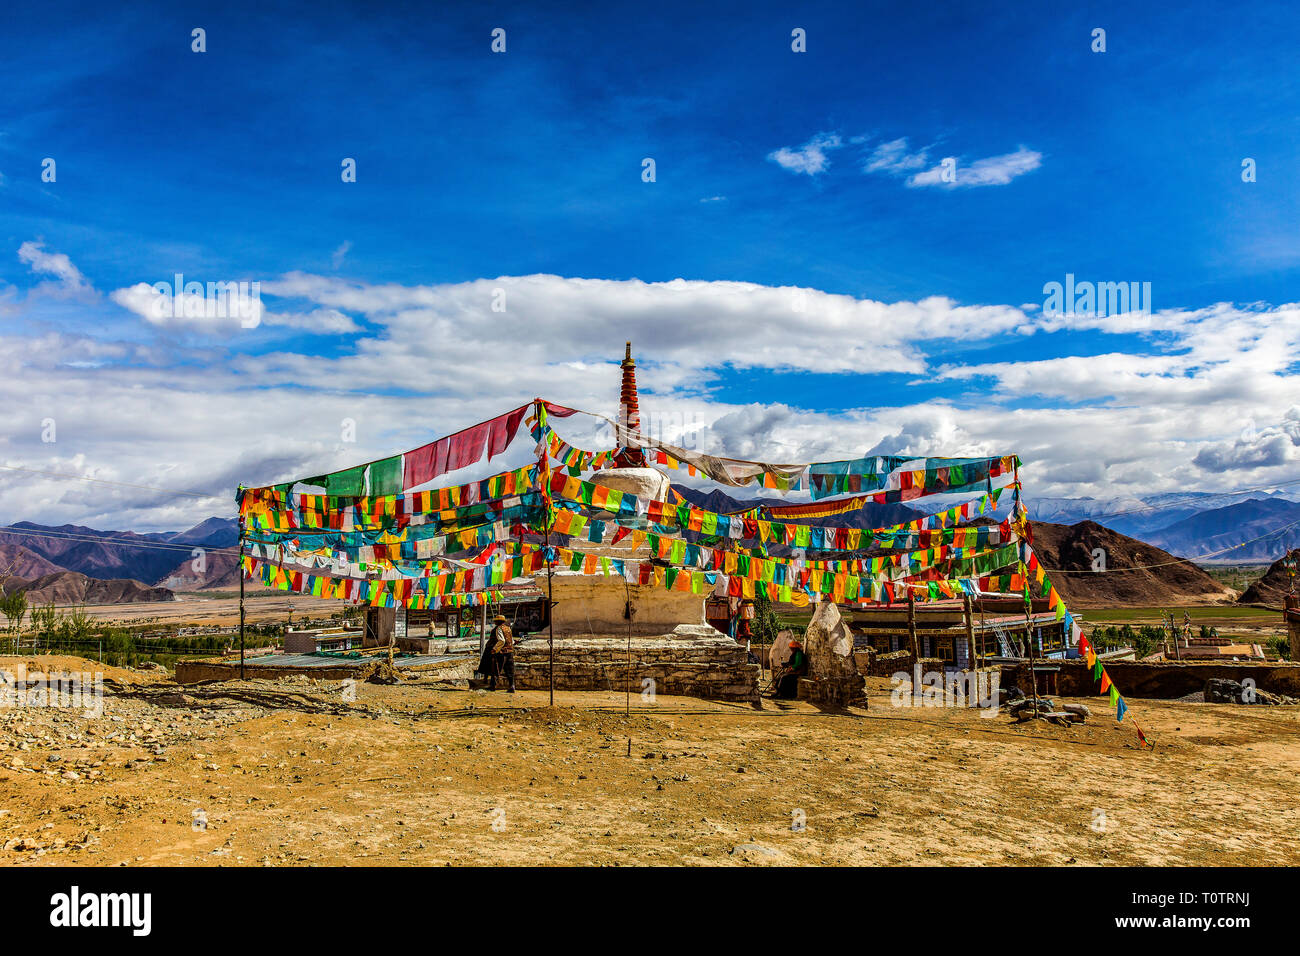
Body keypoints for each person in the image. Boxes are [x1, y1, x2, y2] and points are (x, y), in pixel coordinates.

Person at [488, 613, 515, 693]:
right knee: (510, 670)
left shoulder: (499, 629)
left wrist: (495, 649)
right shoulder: (508, 628)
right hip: (510, 651)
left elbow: (502, 640)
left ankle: (493, 686)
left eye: (496, 621)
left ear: (498, 622)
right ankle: (512, 686)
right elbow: (511, 640)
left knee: (496, 669)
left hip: (502, 652)